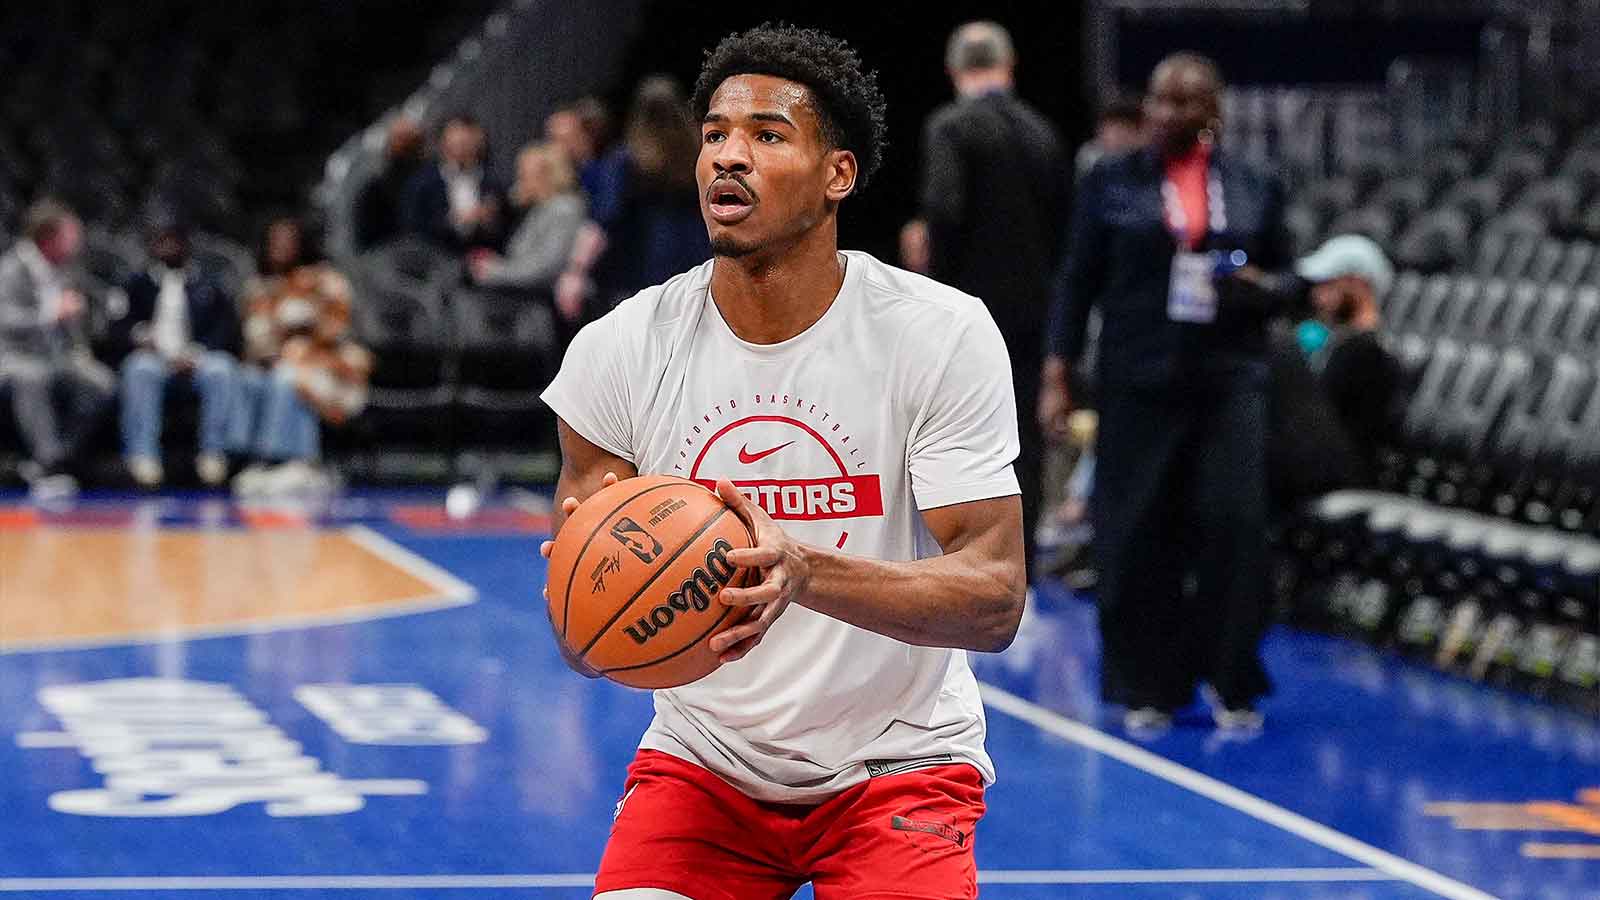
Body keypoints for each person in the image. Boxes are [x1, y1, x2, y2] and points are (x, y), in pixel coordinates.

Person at [538, 24, 1025, 899]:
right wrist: (581, 604)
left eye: (767, 136)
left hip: (898, 761)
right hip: (705, 766)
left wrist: (804, 571)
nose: (730, 156)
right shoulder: (618, 351)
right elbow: (583, 649)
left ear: (837, 174)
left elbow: (993, 598)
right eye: (716, 133)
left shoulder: (939, 333)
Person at [1042, 53, 1295, 732]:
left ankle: (1233, 677)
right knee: (1137, 531)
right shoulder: (1108, 181)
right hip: (1137, 380)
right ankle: (1148, 685)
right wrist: (1057, 372)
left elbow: (1289, 278)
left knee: (1234, 525)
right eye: (1158, 101)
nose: (1167, 114)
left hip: (1228, 379)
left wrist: (1260, 288)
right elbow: (1077, 280)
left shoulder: (1256, 184)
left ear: (1212, 111)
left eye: (1184, 103)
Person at [906, 20, 1068, 576]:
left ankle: (962, 554)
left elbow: (945, 212)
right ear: (1009, 66)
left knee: (950, 428)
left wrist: (932, 282)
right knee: (1023, 430)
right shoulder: (1043, 133)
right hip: (1032, 309)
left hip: (965, 309)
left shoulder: (951, 127)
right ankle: (1021, 556)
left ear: (954, 72)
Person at [108, 211, 243, 488]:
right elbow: (117, 327)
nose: (167, 248)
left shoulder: (209, 285)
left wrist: (198, 353)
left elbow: (226, 330)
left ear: (185, 245)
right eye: (161, 242)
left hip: (197, 359)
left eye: (174, 242)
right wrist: (139, 336)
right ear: (152, 246)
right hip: (155, 359)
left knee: (222, 370)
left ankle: (213, 454)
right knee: (139, 369)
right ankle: (143, 456)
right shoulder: (137, 285)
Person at [0, 199, 114, 500]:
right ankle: (50, 468)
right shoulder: (12, 268)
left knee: (100, 383)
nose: (77, 242)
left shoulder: (66, 270)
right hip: (12, 357)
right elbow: (4, 320)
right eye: (71, 235)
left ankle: (52, 459)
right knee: (33, 378)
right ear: (48, 239)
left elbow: (73, 324)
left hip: (55, 358)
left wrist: (81, 346)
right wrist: (51, 313)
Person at [1289, 233, 1403, 487]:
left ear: (1357, 285)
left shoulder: (1364, 353)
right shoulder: (1340, 345)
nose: (1318, 296)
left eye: (1329, 285)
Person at [467, 142, 588, 322]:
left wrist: (492, 271)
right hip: (531, 304)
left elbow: (547, 267)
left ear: (546, 175)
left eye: (524, 176)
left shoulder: (563, 209)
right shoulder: (540, 208)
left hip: (551, 313)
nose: (518, 181)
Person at [404, 114, 504, 252]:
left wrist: (489, 219)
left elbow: (505, 229)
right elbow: (412, 229)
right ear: (443, 143)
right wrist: (451, 221)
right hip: (436, 259)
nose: (463, 147)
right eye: (457, 142)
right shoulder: (421, 183)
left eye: (467, 141)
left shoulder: (493, 182)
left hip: (485, 259)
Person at [353, 116, 426, 252]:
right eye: (400, 139)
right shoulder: (376, 186)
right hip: (389, 252)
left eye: (411, 140)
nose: (405, 144)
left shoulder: (433, 177)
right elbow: (366, 235)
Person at [1075, 93, 1146, 178]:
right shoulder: (1089, 156)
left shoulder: (1146, 158)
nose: (1115, 138)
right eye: (1113, 131)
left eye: (1122, 132)